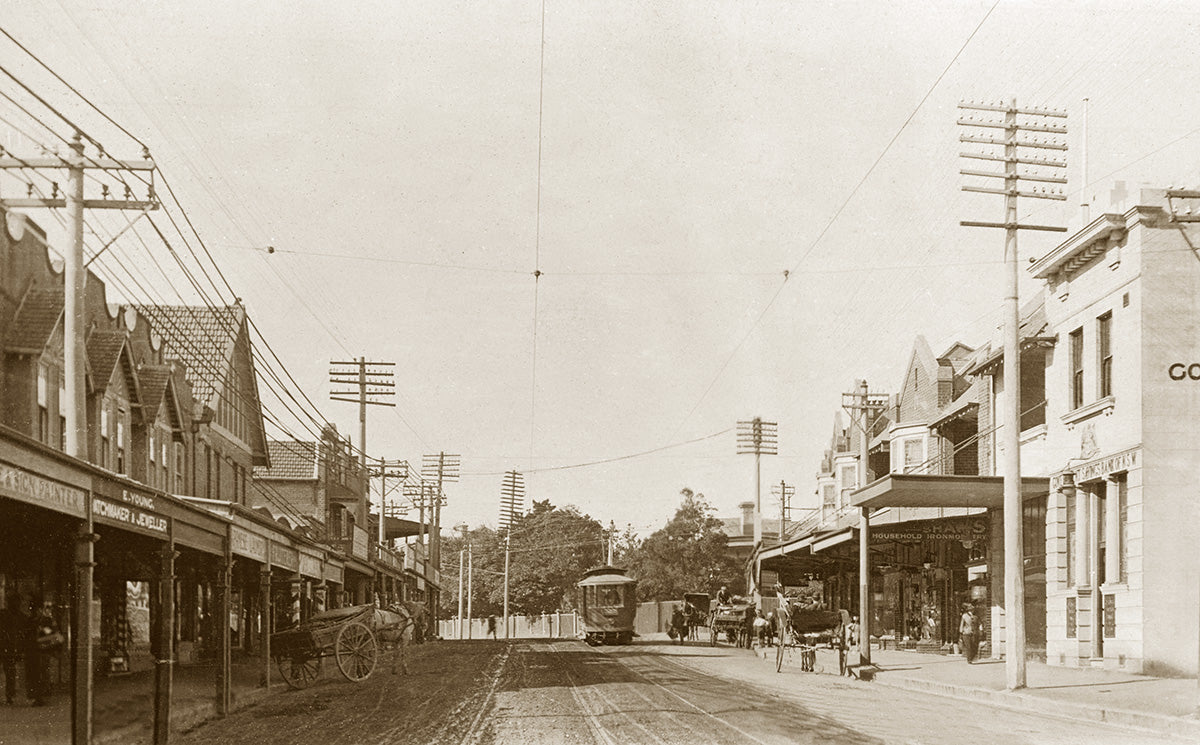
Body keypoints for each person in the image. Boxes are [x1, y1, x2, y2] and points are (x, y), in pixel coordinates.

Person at [26, 599, 61, 706]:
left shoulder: (45, 620)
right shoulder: (31, 620)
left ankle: (40, 695)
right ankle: (36, 695)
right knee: (35, 673)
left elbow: (52, 634)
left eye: (35, 609)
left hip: (42, 650)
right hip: (33, 650)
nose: (33, 611)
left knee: (42, 673)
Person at [1, 594, 27, 705]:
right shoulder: (19, 616)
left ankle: (9, 695)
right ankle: (9, 695)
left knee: (10, 672)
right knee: (10, 672)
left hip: (8, 647)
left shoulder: (5, 614)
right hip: (8, 647)